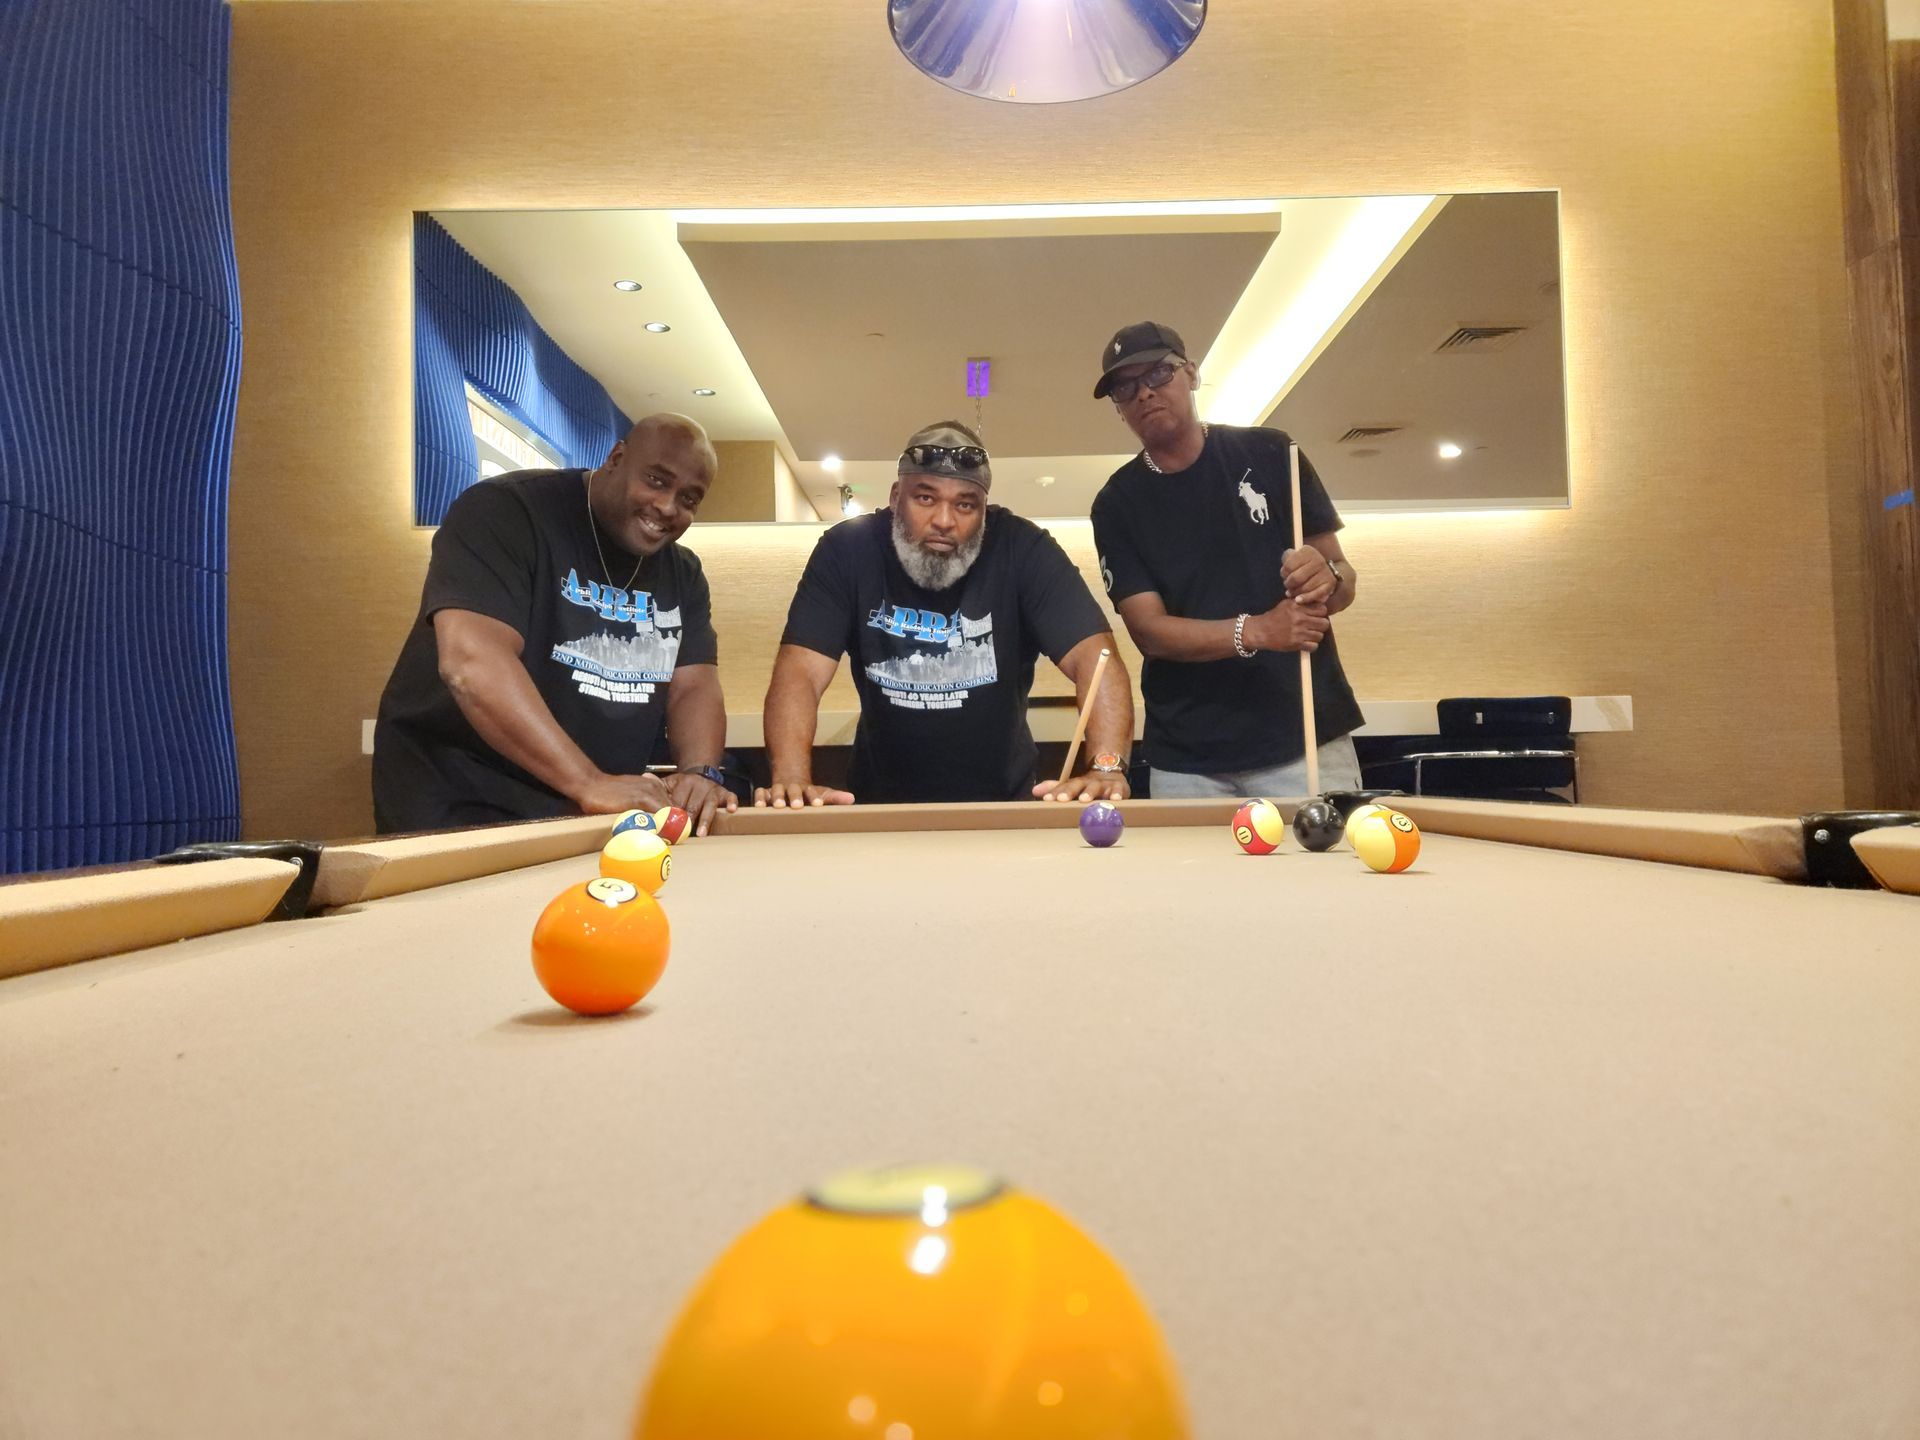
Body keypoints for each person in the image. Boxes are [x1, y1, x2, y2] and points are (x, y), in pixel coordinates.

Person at [373, 413, 738, 836]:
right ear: (616, 457)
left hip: (580, 811)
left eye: (690, 499)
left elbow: (694, 685)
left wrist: (700, 771)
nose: (668, 507)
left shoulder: (684, 573)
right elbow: (472, 663)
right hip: (460, 798)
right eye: (657, 480)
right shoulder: (505, 510)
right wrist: (587, 781)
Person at [758, 421, 1133, 806]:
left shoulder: (1024, 548)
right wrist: (790, 777)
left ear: (984, 511)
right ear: (895, 497)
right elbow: (801, 670)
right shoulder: (848, 550)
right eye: (925, 498)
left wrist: (1106, 767)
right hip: (880, 806)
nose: (944, 520)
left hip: (1003, 805)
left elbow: (1096, 656)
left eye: (965, 504)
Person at [1088, 322, 1365, 799]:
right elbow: (1149, 631)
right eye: (1125, 387)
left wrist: (1327, 577)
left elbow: (1343, 581)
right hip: (1188, 761)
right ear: (1118, 407)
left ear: (1191, 373)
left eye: (1158, 373)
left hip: (1303, 741)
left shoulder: (1274, 453)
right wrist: (1256, 630)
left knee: (1319, 875)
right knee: (1188, 879)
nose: (1144, 394)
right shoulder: (1117, 503)